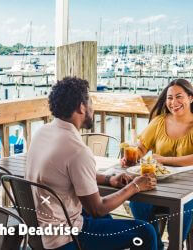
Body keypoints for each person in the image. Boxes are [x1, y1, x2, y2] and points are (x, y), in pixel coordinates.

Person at [25, 77, 158, 250]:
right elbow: (98, 208)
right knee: (145, 232)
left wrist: (108, 180)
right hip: (66, 238)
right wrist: (135, 186)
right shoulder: (77, 150)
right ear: (81, 107)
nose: (93, 108)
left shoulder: (42, 132)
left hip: (39, 228)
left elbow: (66, 175)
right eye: (91, 102)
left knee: (105, 220)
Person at [122, 78, 193, 249]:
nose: (173, 102)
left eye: (179, 96)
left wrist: (164, 159)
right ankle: (155, 245)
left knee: (182, 205)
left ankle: (175, 245)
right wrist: (131, 156)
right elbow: (141, 149)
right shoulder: (159, 121)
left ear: (190, 98)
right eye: (169, 97)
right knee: (137, 201)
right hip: (161, 186)